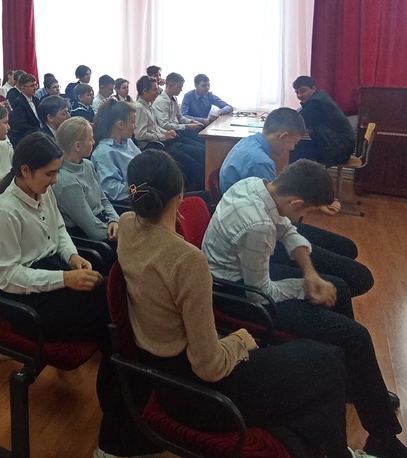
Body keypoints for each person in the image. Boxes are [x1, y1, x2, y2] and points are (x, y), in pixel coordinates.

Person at [117, 149, 355, 458]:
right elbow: (209, 366)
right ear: (180, 196)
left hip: (158, 375)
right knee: (330, 361)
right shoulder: (186, 259)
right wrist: (240, 341)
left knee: (318, 368)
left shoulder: (126, 224)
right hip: (196, 394)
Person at [203, 160, 407, 457]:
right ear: (297, 202)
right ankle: (383, 437)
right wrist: (306, 288)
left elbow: (287, 230)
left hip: (248, 279)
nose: (302, 217)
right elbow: (261, 296)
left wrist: (311, 275)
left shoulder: (255, 186)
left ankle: (353, 382)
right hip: (235, 295)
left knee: (338, 291)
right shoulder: (257, 224)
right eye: (306, 211)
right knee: (356, 336)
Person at [0, 132, 121, 456]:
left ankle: (120, 411)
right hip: (23, 301)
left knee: (115, 301)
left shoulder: (41, 191)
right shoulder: (4, 211)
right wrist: (64, 278)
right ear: (25, 171)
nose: (55, 180)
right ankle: (117, 427)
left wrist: (72, 256)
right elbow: (9, 277)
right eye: (50, 173)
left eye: (57, 172)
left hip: (49, 274)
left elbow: (59, 230)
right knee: (111, 319)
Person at [218, 107, 373, 298]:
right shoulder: (261, 163)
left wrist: (313, 201)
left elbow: (279, 201)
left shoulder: (249, 143)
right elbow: (278, 209)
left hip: (257, 223)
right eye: (295, 142)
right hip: (255, 235)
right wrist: (305, 286)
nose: (292, 148)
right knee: (349, 276)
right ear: (284, 136)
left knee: (346, 249)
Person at [53, 117, 119, 242]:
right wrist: (120, 232)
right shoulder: (66, 182)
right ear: (77, 146)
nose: (94, 142)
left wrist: (115, 220)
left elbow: (103, 200)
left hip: (106, 222)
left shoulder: (87, 165)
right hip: (91, 237)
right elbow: (93, 230)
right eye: (90, 139)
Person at [134, 76, 204, 191]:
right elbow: (140, 135)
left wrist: (166, 133)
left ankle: (196, 188)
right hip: (152, 147)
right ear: (145, 91)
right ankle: (197, 191)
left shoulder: (148, 105)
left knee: (197, 155)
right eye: (154, 89)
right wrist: (163, 136)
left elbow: (155, 126)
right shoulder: (140, 108)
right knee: (193, 164)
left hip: (162, 142)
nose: (157, 92)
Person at [291, 75, 357, 167]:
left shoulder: (315, 103)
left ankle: (299, 176)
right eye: (297, 92)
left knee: (290, 149)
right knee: (293, 146)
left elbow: (297, 124)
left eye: (303, 91)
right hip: (341, 146)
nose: (299, 95)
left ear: (313, 89)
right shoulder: (320, 97)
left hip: (338, 150)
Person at [90, 99, 139, 203]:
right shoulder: (103, 153)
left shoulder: (128, 142)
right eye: (133, 123)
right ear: (120, 124)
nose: (135, 127)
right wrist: (141, 189)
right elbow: (112, 189)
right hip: (132, 200)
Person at [7, 73, 41, 148]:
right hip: (29, 137)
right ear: (23, 88)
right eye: (32, 86)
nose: (35, 88)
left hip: (40, 133)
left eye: (36, 85)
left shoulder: (36, 100)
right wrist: (40, 130)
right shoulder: (19, 102)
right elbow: (21, 126)